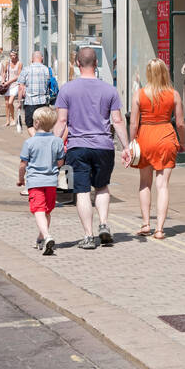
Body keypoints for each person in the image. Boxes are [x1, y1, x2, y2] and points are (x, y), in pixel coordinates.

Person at [55, 47, 126, 250]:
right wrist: (127, 147)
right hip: (104, 146)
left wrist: (52, 144)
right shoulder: (109, 90)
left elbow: (61, 121)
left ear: (77, 64)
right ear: (96, 64)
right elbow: (118, 121)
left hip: (78, 146)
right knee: (102, 186)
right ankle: (103, 224)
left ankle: (88, 235)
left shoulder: (67, 90)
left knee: (83, 191)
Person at [125, 59, 185, 239]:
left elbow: (133, 123)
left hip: (145, 137)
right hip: (166, 136)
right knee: (162, 185)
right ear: (164, 73)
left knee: (145, 183)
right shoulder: (173, 94)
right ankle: (159, 229)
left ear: (148, 73)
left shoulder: (139, 94)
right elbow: (181, 123)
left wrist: (131, 143)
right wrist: (182, 142)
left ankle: (145, 224)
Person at [19, 106, 65, 256]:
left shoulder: (29, 143)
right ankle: (41, 238)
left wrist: (21, 179)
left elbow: (23, 165)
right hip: (51, 182)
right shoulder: (57, 141)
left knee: (38, 210)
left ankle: (47, 236)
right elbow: (60, 162)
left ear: (37, 123)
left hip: (35, 182)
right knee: (47, 211)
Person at [16, 50, 52, 132]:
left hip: (30, 102)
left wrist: (19, 102)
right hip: (43, 102)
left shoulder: (26, 69)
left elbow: (20, 87)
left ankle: (36, 140)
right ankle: (41, 140)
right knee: (43, 124)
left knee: (30, 125)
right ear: (42, 58)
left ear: (32, 59)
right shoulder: (46, 70)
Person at [3, 51, 23, 126]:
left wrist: (8, 82)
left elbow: (18, 76)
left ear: (16, 55)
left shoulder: (19, 63)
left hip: (15, 84)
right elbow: (4, 72)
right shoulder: (8, 63)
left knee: (10, 102)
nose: (12, 57)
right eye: (11, 55)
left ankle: (13, 119)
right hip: (7, 85)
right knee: (6, 103)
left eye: (14, 55)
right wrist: (3, 80)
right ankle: (7, 120)